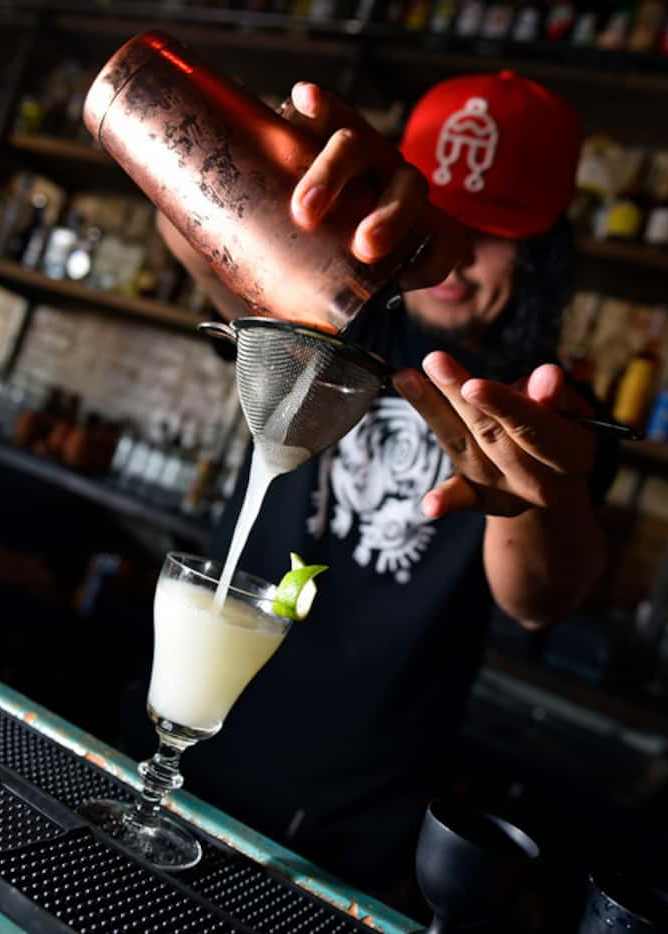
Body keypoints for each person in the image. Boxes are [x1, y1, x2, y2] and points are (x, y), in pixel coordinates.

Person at [155, 72, 616, 889]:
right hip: (204, 722)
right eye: (443, 214)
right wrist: (286, 173)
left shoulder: (554, 415)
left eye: (494, 229)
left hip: (366, 796)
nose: (460, 254)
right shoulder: (319, 305)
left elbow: (537, 598)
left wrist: (526, 496)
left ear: (542, 251)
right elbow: (183, 222)